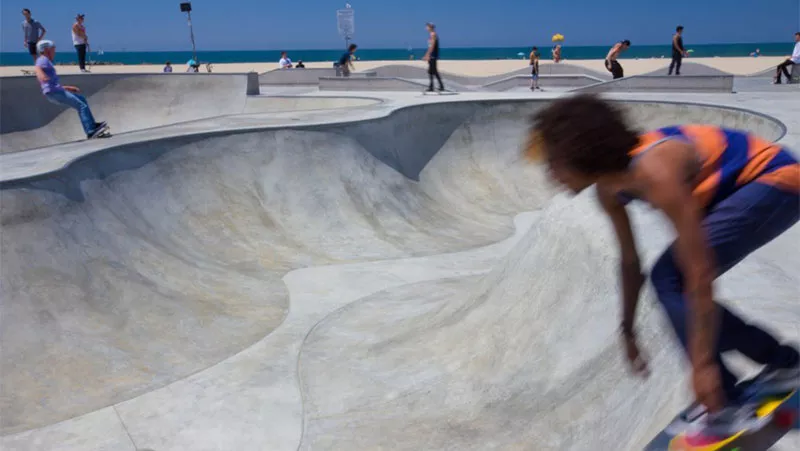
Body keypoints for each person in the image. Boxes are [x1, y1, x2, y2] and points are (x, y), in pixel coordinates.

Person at [525, 93, 800, 435]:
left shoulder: (655, 170)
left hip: (776, 179)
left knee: (673, 276)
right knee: (667, 278)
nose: (552, 175)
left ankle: (731, 398)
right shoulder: (609, 191)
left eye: (554, 164)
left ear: (579, 153)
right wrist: (627, 330)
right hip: (737, 190)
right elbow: (630, 263)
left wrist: (702, 367)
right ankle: (781, 361)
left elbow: (699, 272)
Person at [34, 40, 107, 139]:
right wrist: (41, 75)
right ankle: (90, 131)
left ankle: (92, 125)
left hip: (56, 91)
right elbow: (38, 68)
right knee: (81, 106)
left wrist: (68, 88)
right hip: (54, 93)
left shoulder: (46, 61)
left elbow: (53, 84)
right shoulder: (43, 60)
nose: (54, 52)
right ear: (46, 49)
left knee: (82, 100)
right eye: (53, 50)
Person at [423, 22, 445, 92]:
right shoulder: (432, 35)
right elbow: (430, 46)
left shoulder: (433, 35)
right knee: (433, 71)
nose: (426, 28)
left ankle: (434, 87)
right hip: (432, 55)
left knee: (432, 71)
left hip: (433, 55)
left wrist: (427, 55)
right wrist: (427, 54)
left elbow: (432, 46)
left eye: (427, 27)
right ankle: (437, 86)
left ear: (430, 27)